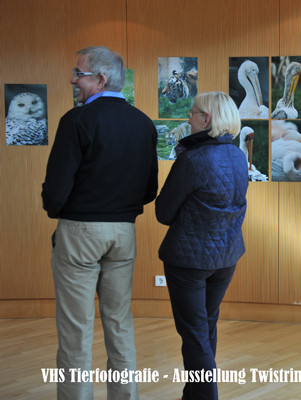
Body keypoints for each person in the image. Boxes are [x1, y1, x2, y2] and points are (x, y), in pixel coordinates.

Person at [41, 46, 158, 400]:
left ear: (100, 79)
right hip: (123, 233)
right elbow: (150, 189)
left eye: (79, 73)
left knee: (76, 328)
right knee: (119, 321)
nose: (72, 79)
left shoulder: (75, 121)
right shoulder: (143, 122)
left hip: (79, 231)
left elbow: (57, 190)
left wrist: (54, 208)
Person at [155, 91, 248, 400]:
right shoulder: (238, 156)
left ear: (205, 119)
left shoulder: (193, 159)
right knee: (205, 328)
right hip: (226, 259)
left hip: (189, 263)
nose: (188, 118)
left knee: (194, 334)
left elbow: (163, 213)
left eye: (193, 113)